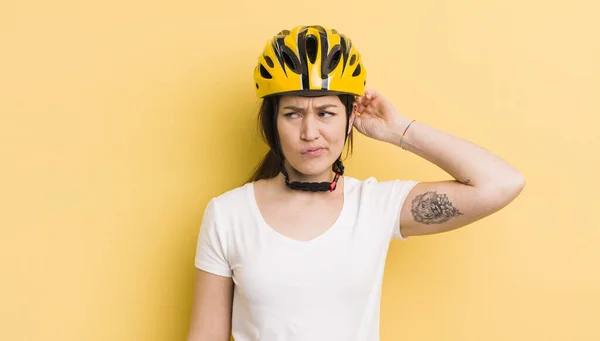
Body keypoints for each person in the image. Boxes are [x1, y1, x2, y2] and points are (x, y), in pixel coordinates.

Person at [186, 25, 525, 341]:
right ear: (273, 123)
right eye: (292, 114)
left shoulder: (376, 205)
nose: (309, 132)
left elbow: (500, 183)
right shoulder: (228, 214)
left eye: (326, 113)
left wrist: (399, 130)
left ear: (351, 119)